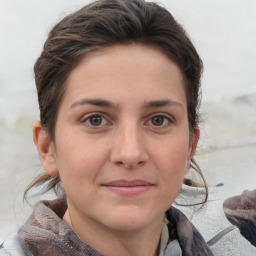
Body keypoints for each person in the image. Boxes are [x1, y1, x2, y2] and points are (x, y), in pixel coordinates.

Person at [0, 0, 255, 255]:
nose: (130, 153)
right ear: (47, 148)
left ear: (191, 145)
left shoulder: (237, 237)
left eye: (158, 120)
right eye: (95, 120)